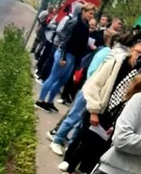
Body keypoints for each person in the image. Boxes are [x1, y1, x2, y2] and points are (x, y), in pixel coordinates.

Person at [51, 39, 141, 174]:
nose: (139, 56)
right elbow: (94, 83)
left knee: (98, 152)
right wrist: (94, 111)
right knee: (83, 143)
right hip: (98, 110)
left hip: (114, 118)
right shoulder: (116, 63)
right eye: (138, 52)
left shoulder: (140, 75)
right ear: (131, 50)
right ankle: (67, 172)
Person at [48, 28, 118, 157]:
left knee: (79, 120)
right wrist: (93, 84)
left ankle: (66, 143)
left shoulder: (109, 52)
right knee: (74, 116)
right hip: (90, 90)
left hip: (93, 91)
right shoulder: (107, 52)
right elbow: (93, 70)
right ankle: (57, 139)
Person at [35, 3, 96, 112]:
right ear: (83, 11)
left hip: (72, 56)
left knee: (62, 80)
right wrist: (62, 57)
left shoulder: (85, 25)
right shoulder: (75, 23)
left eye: (93, 14)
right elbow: (66, 40)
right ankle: (40, 100)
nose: (92, 16)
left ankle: (49, 101)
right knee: (53, 77)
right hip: (65, 53)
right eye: (90, 13)